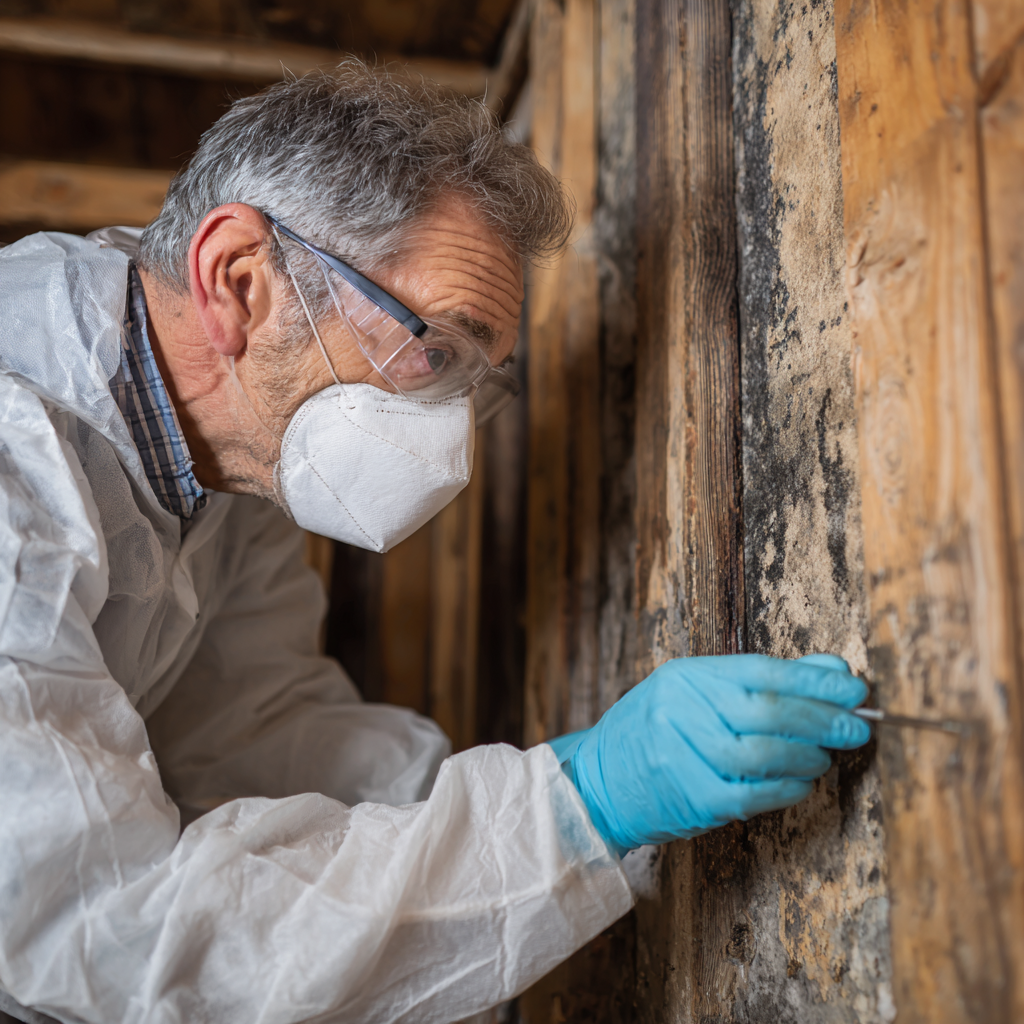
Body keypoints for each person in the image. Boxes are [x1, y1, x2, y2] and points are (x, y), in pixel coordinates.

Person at [0, 62, 870, 1024]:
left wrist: (583, 830)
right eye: (434, 352)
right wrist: (580, 806)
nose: (450, 437)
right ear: (241, 281)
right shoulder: (15, 466)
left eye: (473, 381)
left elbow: (254, 732)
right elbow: (110, 932)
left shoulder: (224, 459)